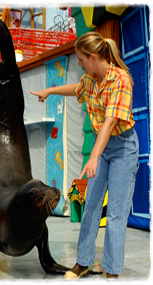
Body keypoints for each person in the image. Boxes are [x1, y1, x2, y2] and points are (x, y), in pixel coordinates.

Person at [29, 31, 139, 279]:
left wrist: (93, 157)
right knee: (90, 205)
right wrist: (49, 91)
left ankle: (111, 271)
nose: (78, 64)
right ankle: (83, 262)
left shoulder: (121, 80)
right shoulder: (90, 79)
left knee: (115, 213)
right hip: (104, 147)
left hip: (123, 148)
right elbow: (76, 89)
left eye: (80, 59)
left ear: (92, 57)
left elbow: (110, 122)